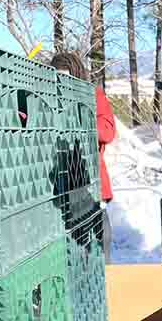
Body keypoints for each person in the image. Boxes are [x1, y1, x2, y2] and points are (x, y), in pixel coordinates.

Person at [50, 51, 117, 258]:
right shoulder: (48, 98)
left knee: (98, 244)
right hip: (58, 190)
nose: (63, 82)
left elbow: (108, 130)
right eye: (58, 76)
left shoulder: (92, 95)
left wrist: (80, 123)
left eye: (67, 76)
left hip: (89, 183)